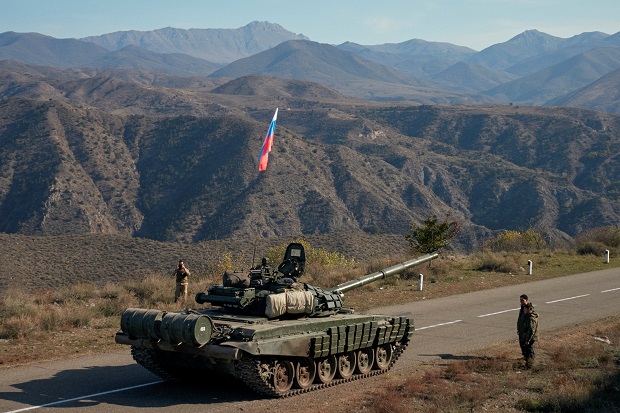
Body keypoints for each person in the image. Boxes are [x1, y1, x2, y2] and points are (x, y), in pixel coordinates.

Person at [517, 302, 539, 369]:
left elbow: (531, 330)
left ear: (529, 309)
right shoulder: (527, 315)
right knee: (527, 350)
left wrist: (527, 340)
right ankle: (527, 361)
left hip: (529, 337)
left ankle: (529, 365)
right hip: (526, 336)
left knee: (529, 350)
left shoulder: (531, 318)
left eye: (525, 309)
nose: (524, 310)